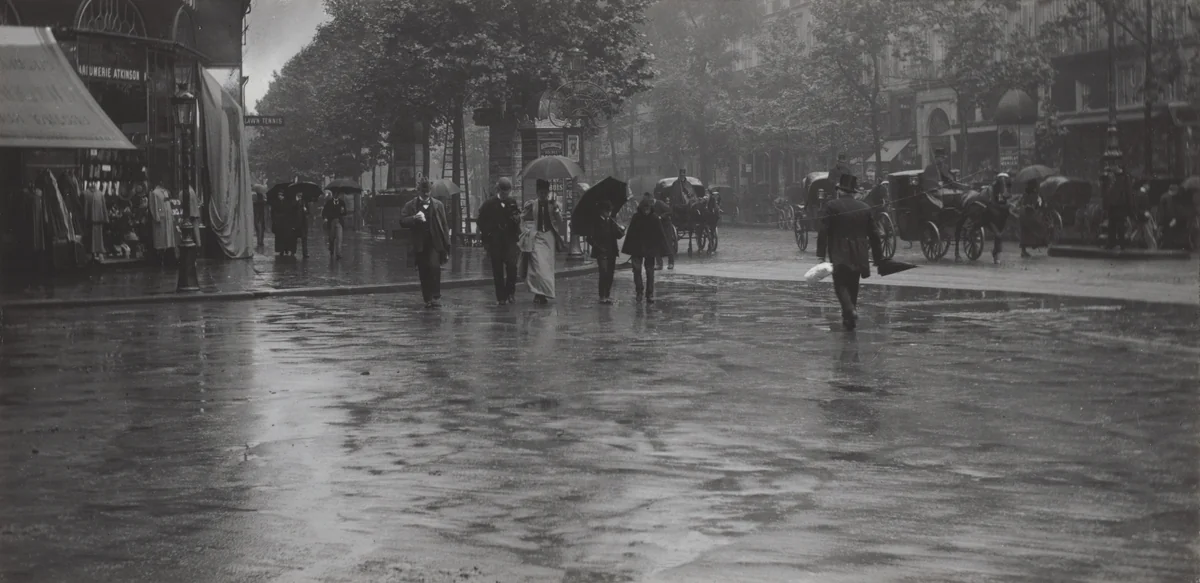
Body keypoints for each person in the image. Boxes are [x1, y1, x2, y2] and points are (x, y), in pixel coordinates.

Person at [816, 174, 885, 331]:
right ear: (854, 192)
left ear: (840, 190)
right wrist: (878, 257)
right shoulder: (865, 208)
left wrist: (821, 253)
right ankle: (849, 319)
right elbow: (874, 235)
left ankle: (849, 310)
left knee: (840, 283)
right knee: (853, 284)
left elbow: (823, 230)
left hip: (839, 249)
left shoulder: (831, 206)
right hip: (860, 251)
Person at [400, 178, 451, 309]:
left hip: (435, 241)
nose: (426, 194)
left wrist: (447, 244)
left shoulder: (438, 205)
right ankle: (427, 298)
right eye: (423, 192)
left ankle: (436, 296)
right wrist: (413, 218)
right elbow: (402, 221)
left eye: (428, 191)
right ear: (418, 191)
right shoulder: (411, 205)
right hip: (419, 242)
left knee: (435, 266)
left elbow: (444, 225)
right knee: (423, 270)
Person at [476, 177, 522, 305]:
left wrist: (516, 219)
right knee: (497, 270)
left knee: (512, 267)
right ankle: (501, 297)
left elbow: (517, 220)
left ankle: (510, 293)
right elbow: (480, 221)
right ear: (498, 190)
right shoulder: (489, 204)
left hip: (510, 240)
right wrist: (487, 235)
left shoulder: (512, 202)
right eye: (503, 193)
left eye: (507, 193)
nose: (505, 195)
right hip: (495, 241)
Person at [521, 179, 566, 305]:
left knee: (547, 267)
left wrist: (556, 208)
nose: (543, 195)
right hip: (537, 236)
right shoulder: (532, 204)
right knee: (537, 266)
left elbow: (560, 221)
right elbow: (522, 217)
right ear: (537, 192)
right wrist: (524, 230)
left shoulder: (553, 204)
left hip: (549, 238)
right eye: (541, 193)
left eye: (545, 193)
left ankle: (543, 293)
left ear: (548, 192)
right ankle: (537, 292)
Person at [622, 198, 670, 304]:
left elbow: (660, 234)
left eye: (647, 208)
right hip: (637, 248)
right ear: (641, 208)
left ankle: (649, 294)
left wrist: (664, 250)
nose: (646, 211)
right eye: (644, 208)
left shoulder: (654, 218)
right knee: (637, 270)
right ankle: (639, 291)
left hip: (649, 249)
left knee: (650, 272)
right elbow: (630, 235)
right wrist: (629, 249)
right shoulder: (636, 217)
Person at [590, 200, 624, 304]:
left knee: (610, 274)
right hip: (601, 251)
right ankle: (602, 295)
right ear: (602, 211)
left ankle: (607, 295)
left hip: (611, 251)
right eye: (607, 211)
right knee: (603, 272)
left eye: (609, 211)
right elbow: (590, 238)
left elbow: (617, 236)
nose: (608, 213)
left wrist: (622, 231)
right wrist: (598, 247)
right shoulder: (595, 222)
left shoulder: (611, 222)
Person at [1017, 178, 1050, 258]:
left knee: (1025, 233)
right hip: (1029, 215)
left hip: (1024, 215)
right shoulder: (1034, 194)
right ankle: (1034, 244)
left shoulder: (1027, 194)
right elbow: (1039, 205)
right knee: (1039, 227)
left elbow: (1022, 203)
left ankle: (1025, 250)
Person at [1103, 168, 1133, 250]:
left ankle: (1118, 244)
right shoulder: (1115, 182)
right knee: (1114, 226)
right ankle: (1114, 243)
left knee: (1117, 227)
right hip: (1115, 208)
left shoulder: (1121, 182)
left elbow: (1127, 195)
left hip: (1119, 207)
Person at [274, 192, 302, 256]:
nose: (279, 196)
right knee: (284, 237)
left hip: (289, 223)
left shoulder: (291, 202)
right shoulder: (281, 202)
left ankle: (289, 250)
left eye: (281, 195)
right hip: (283, 223)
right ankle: (284, 250)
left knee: (289, 237)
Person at [322, 189, 348, 258]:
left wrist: (343, 211)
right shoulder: (329, 202)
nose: (336, 195)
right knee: (331, 238)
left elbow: (345, 213)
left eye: (337, 194)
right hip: (331, 222)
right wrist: (325, 218)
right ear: (333, 195)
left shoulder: (342, 203)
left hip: (339, 222)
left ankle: (338, 253)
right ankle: (331, 248)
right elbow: (324, 212)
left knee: (339, 238)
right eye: (335, 194)